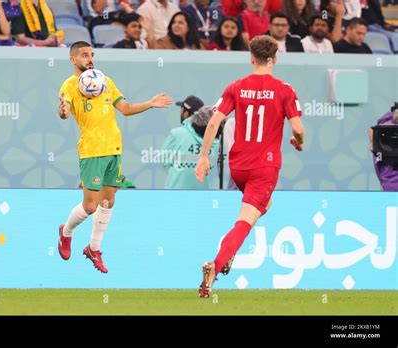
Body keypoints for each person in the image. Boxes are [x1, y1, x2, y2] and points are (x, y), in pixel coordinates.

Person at [195, 35, 304, 298]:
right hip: (264, 167)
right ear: (275, 59)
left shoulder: (236, 86)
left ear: (251, 58)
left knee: (262, 207)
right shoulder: (285, 90)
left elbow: (213, 122)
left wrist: (203, 156)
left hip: (238, 165)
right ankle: (216, 265)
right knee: (245, 221)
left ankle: (228, 253)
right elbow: (298, 129)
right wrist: (298, 141)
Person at [57, 41, 172, 273]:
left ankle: (94, 248)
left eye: (92, 55)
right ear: (72, 59)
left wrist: (150, 103)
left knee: (108, 201)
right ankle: (66, 232)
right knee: (90, 206)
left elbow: (126, 109)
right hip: (92, 151)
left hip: (114, 149)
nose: (89, 59)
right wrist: (64, 111)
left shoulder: (106, 81)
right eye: (84, 55)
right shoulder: (70, 86)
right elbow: (63, 110)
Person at [162, 106, 222, 189]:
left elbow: (165, 160)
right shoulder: (216, 142)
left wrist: (177, 173)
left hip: (176, 189)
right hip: (203, 190)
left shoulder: (176, 133)